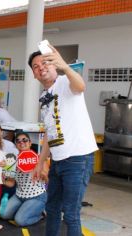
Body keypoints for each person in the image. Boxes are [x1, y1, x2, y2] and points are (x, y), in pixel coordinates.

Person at [29, 46, 97, 236]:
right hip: (58, 160)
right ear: (34, 74)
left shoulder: (66, 81)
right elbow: (50, 135)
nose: (40, 67)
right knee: (51, 209)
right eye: (35, 66)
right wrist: (40, 162)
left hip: (78, 157)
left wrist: (65, 67)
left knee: (71, 214)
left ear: (53, 64)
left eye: (44, 62)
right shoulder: (43, 97)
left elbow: (81, 86)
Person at [0, 132, 47, 226]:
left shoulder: (38, 158)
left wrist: (40, 172)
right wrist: (2, 179)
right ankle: (25, 209)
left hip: (37, 196)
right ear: (16, 145)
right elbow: (12, 184)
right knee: (3, 214)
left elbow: (48, 180)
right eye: (18, 141)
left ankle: (41, 214)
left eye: (25, 140)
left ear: (30, 143)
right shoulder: (13, 161)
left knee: (20, 220)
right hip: (19, 196)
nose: (21, 142)